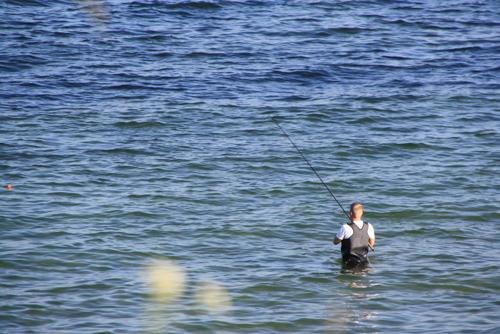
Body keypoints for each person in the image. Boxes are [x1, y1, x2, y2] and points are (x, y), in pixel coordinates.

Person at [333, 202, 375, 269]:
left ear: (350, 213)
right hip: (364, 262)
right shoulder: (369, 226)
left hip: (349, 263)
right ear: (362, 213)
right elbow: (371, 244)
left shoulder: (345, 227)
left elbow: (335, 242)